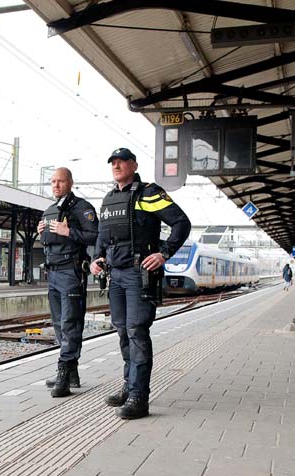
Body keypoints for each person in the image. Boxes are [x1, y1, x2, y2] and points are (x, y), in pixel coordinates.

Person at [90, 148, 191, 419]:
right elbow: (102, 236)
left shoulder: (148, 193)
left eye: (122, 161)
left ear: (134, 165)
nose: (116, 165)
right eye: (113, 162)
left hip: (138, 274)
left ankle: (139, 397)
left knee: (136, 331)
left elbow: (181, 223)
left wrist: (164, 252)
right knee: (122, 330)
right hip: (116, 275)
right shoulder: (109, 198)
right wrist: (97, 258)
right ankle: (128, 386)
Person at [38, 167, 99, 398]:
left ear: (70, 182)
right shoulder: (50, 210)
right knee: (58, 323)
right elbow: (50, 240)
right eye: (53, 181)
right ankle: (71, 373)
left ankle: (64, 372)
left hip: (71, 273)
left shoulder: (82, 208)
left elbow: (95, 235)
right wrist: (41, 232)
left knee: (70, 323)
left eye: (60, 181)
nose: (55, 185)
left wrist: (69, 231)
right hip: (53, 273)